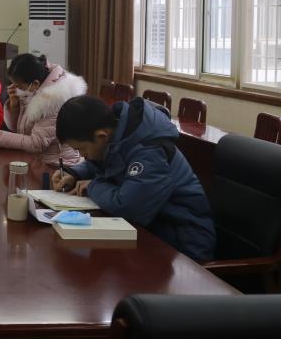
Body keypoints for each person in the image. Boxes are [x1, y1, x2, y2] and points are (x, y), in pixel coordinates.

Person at [52, 95, 216, 262]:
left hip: (183, 246)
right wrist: (75, 173)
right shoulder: (119, 136)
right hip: (151, 233)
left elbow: (129, 208)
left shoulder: (150, 152)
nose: (82, 155)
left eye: (82, 149)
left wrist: (94, 185)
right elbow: (108, 163)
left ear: (101, 136)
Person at [0, 54, 85, 166]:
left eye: (19, 86)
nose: (14, 89)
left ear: (35, 83)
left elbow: (37, 143)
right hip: (38, 160)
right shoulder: (34, 90)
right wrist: (14, 107)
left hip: (58, 164)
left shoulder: (53, 100)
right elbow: (18, 129)